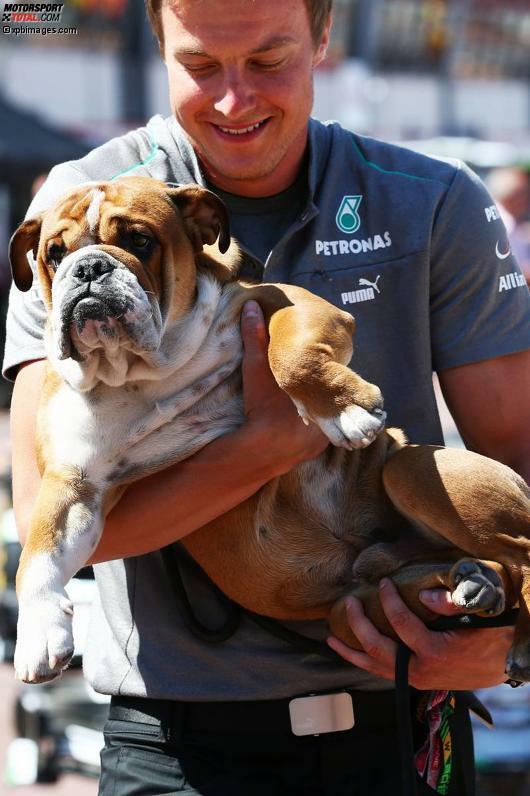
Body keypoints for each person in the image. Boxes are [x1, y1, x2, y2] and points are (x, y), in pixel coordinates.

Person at [4, 1, 530, 794]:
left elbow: (517, 455)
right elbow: (52, 506)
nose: (233, 100)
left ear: (324, 37)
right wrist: (262, 448)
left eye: (268, 59)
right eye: (202, 66)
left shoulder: (431, 199)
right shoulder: (78, 204)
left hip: (402, 719)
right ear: (158, 46)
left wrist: (508, 643)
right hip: (175, 742)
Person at [486, 166, 530, 284]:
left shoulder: (512, 221)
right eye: (524, 193)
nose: (527, 200)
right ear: (510, 195)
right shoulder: (501, 223)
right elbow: (502, 274)